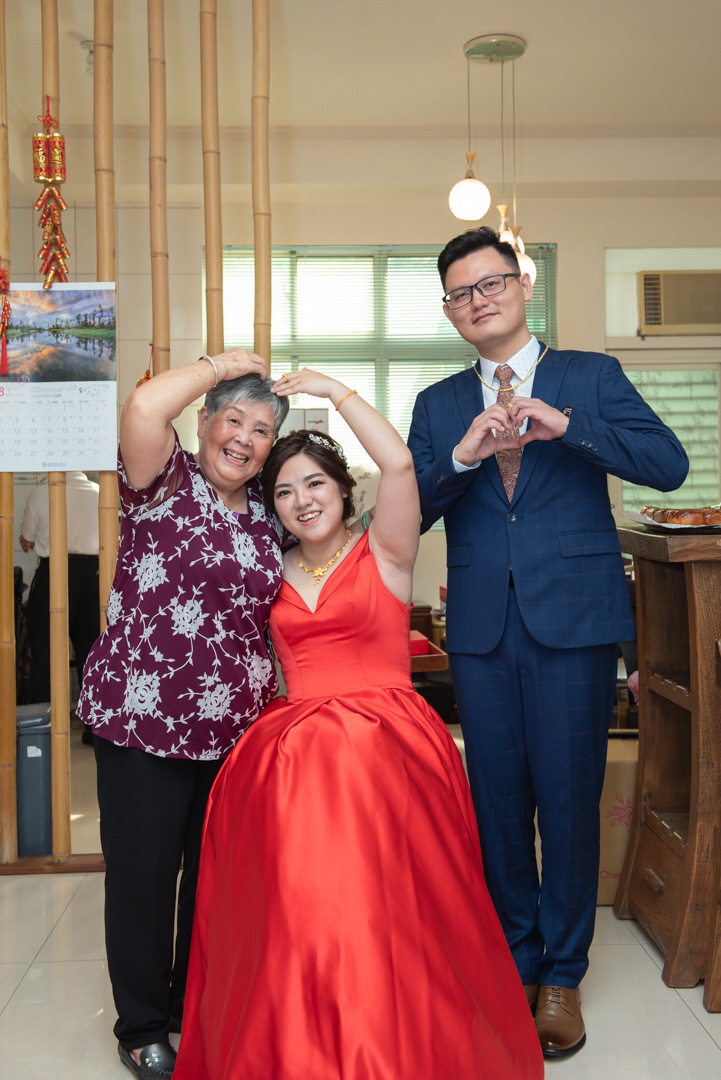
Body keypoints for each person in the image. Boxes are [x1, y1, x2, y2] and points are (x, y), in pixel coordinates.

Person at [172, 369, 544, 1080]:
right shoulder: (270, 568)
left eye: (315, 484)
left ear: (344, 492)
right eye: (284, 491)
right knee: (301, 907)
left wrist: (331, 390)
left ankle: (388, 1038)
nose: (301, 501)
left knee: (389, 910)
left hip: (385, 743)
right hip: (294, 752)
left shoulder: (384, 552)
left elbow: (399, 464)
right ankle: (302, 1041)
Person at [407, 227, 689, 1059]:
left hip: (573, 621)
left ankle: (563, 973)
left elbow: (667, 464)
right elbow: (406, 509)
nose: (478, 300)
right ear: (449, 312)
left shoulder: (589, 376)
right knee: (497, 804)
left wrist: (566, 425)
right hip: (481, 629)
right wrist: (462, 456)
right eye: (461, 293)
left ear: (522, 284)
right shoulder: (436, 404)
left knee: (567, 801)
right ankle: (515, 960)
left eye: (490, 282)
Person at [76, 350, 289, 1080]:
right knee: (143, 878)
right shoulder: (164, 480)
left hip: (234, 732)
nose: (244, 439)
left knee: (210, 879)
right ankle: (140, 1026)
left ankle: (183, 1004)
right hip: (144, 721)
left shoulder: (268, 516)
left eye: (261, 430)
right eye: (234, 419)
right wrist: (222, 363)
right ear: (203, 421)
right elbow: (141, 408)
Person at [19, 471, 101, 727]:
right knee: (92, 652)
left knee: (44, 651)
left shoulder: (41, 492)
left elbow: (26, 538)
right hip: (94, 576)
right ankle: (95, 730)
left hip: (54, 573)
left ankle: (40, 726)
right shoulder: (99, 493)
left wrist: (31, 541)